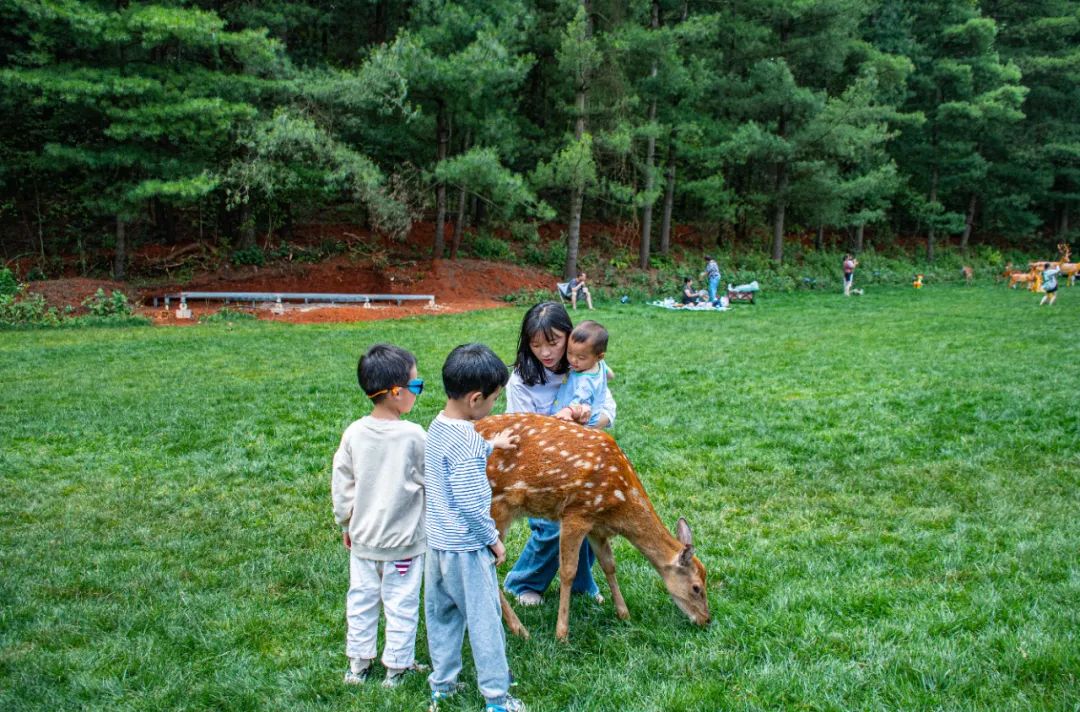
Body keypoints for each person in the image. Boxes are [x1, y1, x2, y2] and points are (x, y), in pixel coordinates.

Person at [424, 343, 525, 712]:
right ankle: (497, 698)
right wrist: (492, 540)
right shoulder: (467, 440)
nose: (494, 407)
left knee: (442, 618)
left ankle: (443, 685)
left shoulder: (437, 426)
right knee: (485, 623)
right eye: (494, 400)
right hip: (467, 551)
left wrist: (491, 444)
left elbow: (455, 458)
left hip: (437, 547)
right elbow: (469, 503)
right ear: (475, 399)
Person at [502, 302, 616, 607]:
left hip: (580, 460)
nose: (545, 352)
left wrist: (587, 422)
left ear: (569, 335)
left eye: (553, 343)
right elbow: (522, 431)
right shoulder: (521, 381)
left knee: (587, 518)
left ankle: (582, 583)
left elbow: (608, 409)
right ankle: (523, 582)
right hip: (538, 463)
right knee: (551, 528)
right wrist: (563, 427)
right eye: (536, 344)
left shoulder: (583, 366)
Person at [331, 344, 429, 687]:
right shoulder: (414, 436)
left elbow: (342, 484)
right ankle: (397, 668)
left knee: (361, 599)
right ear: (397, 392)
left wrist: (346, 523)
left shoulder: (354, 433)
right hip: (404, 546)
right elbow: (431, 481)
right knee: (401, 603)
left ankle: (358, 665)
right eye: (417, 386)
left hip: (363, 541)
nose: (418, 392)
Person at [552, 320, 609, 427]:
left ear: (599, 357)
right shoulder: (599, 363)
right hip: (595, 415)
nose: (573, 360)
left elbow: (579, 404)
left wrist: (567, 412)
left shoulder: (585, 383)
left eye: (581, 357)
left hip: (575, 421)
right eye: (569, 353)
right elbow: (608, 373)